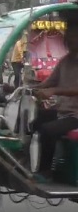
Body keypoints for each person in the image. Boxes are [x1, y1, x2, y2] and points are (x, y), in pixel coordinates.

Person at [31, 23, 78, 181]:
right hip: (63, 111)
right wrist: (31, 88)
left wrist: (55, 91)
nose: (70, 41)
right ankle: (28, 162)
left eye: (73, 37)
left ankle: (46, 171)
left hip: (75, 115)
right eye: (68, 38)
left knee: (47, 130)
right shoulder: (66, 61)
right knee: (33, 122)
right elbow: (50, 82)